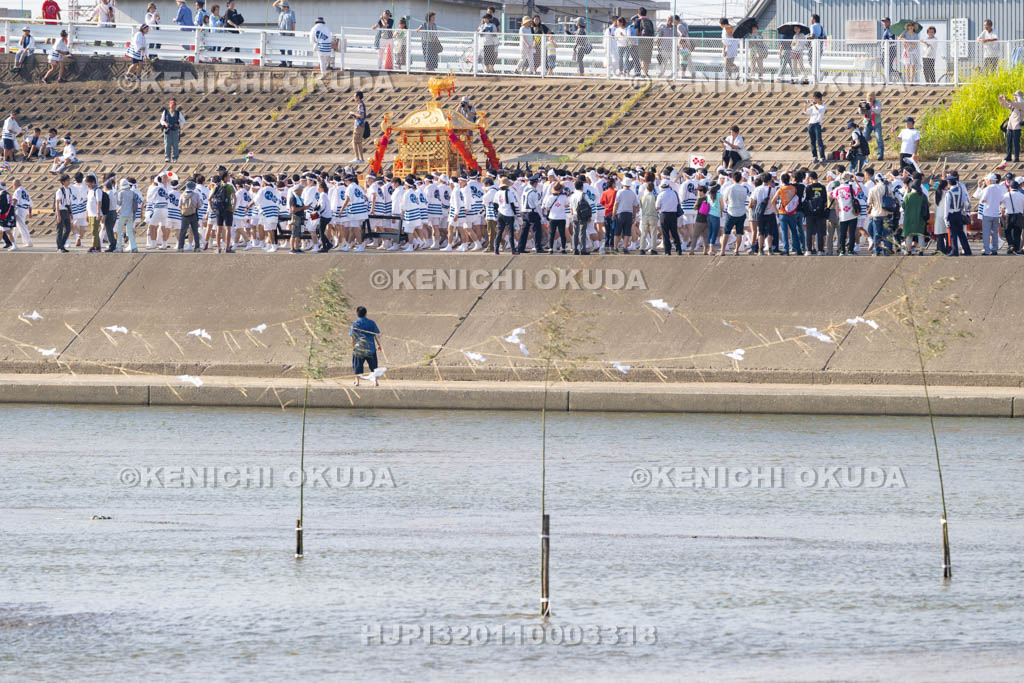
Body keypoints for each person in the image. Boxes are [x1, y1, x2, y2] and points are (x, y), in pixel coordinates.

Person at [974, 173, 1006, 255]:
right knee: (995, 233)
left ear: (990, 181)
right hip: (996, 214)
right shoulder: (999, 189)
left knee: (986, 233)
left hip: (987, 213)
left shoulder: (987, 189)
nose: (986, 181)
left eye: (987, 180)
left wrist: (980, 186)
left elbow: (981, 199)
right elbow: (1002, 201)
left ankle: (987, 250)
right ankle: (994, 249)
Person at [350, 306, 382, 387]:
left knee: (357, 366)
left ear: (357, 314)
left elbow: (352, 337)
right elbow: (376, 335)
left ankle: (357, 382)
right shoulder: (371, 323)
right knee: (373, 366)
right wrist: (378, 345)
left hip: (359, 349)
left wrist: (353, 347)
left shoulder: (355, 323)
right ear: (366, 313)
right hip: (370, 348)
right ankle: (376, 381)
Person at [943, 172, 971, 256]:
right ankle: (967, 250)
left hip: (951, 214)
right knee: (961, 233)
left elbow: (946, 207)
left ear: (949, 183)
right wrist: (965, 211)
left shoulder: (949, 193)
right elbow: (965, 202)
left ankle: (954, 251)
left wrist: (945, 218)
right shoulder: (960, 190)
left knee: (953, 234)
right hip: (959, 214)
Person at [997, 91, 1024, 169]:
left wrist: (1008, 99)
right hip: (1010, 126)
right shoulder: (1014, 104)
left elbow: (1016, 104)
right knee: (1008, 142)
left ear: (1019, 96)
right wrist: (1001, 99)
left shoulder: (1021, 104)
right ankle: (1008, 156)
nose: (1014, 96)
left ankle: (1016, 157)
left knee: (1016, 143)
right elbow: (1006, 105)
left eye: (1015, 95)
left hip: (1017, 126)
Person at [901, 182, 927, 255]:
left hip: (909, 219)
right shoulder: (923, 196)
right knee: (920, 235)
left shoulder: (908, 196)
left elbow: (903, 206)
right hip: (920, 219)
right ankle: (921, 251)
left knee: (909, 235)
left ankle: (908, 250)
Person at [115, 178, 140, 252]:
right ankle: (134, 247)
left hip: (123, 214)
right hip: (131, 215)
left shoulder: (121, 193)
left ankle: (119, 248)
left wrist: (116, 194)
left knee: (119, 231)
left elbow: (119, 203)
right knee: (130, 232)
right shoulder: (132, 193)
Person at [1001, 180, 1024, 254]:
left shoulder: (1006, 195)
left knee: (1007, 231)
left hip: (1009, 215)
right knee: (1017, 233)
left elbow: (1002, 206)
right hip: (1019, 215)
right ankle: (1016, 248)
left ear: (1010, 187)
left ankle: (1010, 245)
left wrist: (1002, 214)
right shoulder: (1022, 195)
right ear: (1018, 187)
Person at [160, 99, 185, 163]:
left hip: (175, 130)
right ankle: (167, 157)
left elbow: (183, 120)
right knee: (167, 144)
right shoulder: (165, 112)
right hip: (167, 130)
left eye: (174, 105)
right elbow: (161, 120)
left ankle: (175, 158)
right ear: (169, 105)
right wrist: (165, 124)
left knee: (175, 145)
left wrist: (179, 124)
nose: (173, 106)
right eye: (172, 105)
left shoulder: (178, 112)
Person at [272, 0, 296, 67]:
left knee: (289, 48)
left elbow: (293, 22)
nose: (280, 7)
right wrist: (279, 0)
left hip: (288, 33)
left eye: (281, 6)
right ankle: (283, 62)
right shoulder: (281, 12)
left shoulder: (291, 12)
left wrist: (293, 32)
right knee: (281, 48)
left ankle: (289, 62)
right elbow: (274, 5)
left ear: (285, 7)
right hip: (281, 33)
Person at [805, 92, 826, 164]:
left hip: (817, 124)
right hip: (810, 124)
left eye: (815, 98)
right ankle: (815, 156)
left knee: (819, 141)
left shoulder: (823, 106)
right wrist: (805, 105)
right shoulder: (813, 106)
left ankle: (822, 157)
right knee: (812, 141)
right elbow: (805, 112)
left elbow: (819, 111)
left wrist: (813, 104)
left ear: (819, 98)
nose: (814, 100)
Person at [11, 179, 32, 248]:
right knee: (16, 226)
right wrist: (30, 212)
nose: (13, 187)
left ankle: (28, 242)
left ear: (15, 184)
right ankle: (12, 240)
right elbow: (30, 203)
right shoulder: (25, 191)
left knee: (21, 226)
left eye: (13, 185)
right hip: (24, 209)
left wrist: (12, 209)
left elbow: (15, 200)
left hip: (19, 209)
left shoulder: (17, 191)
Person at [54, 174, 73, 252]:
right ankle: (59, 247)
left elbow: (70, 202)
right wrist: (58, 215)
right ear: (63, 182)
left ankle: (62, 245)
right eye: (67, 180)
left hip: (66, 211)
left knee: (68, 229)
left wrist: (71, 213)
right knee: (60, 230)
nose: (69, 181)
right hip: (60, 211)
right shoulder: (60, 190)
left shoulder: (69, 189)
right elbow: (57, 203)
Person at [349, 91, 366, 163]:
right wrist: (354, 116)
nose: (354, 98)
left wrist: (353, 113)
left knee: (354, 142)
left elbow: (361, 116)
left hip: (359, 126)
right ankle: (361, 159)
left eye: (354, 96)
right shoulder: (361, 104)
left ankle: (357, 158)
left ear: (358, 97)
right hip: (360, 125)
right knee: (359, 142)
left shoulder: (361, 105)